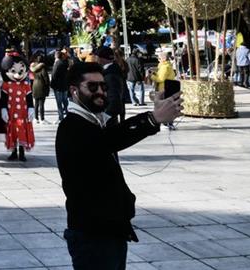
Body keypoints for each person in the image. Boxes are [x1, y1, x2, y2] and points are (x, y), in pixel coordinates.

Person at [56, 60, 182, 270]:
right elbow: (109, 140)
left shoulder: (95, 122)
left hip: (109, 231)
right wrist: (152, 119)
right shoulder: (72, 127)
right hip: (92, 235)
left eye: (103, 86)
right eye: (92, 87)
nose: (100, 92)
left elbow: (111, 135)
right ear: (74, 91)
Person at [96, 46, 126, 125]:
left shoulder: (110, 75)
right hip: (110, 115)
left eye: (97, 56)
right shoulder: (113, 70)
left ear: (101, 58)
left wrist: (105, 117)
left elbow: (114, 98)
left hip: (109, 118)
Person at [30, 53, 50, 124]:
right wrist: (48, 85)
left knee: (36, 103)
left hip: (35, 86)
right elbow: (45, 78)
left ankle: (36, 118)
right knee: (41, 104)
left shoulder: (33, 67)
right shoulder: (42, 67)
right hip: (41, 86)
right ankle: (42, 119)